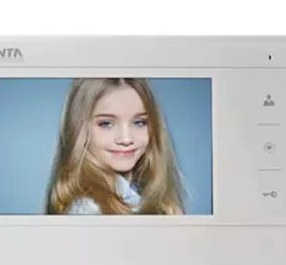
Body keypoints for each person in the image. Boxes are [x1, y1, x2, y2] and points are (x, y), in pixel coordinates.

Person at [45, 78, 183, 214]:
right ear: (79, 129)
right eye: (106, 124)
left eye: (139, 122)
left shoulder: (140, 196)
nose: (126, 139)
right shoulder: (88, 209)